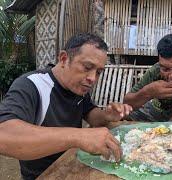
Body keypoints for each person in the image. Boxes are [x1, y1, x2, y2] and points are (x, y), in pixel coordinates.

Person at [0, 33, 132, 180]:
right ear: (63, 59)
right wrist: (78, 136)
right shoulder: (31, 85)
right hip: (45, 175)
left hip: (75, 166)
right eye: (87, 67)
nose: (92, 78)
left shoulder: (78, 87)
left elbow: (91, 115)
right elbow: (4, 135)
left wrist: (107, 115)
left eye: (99, 72)